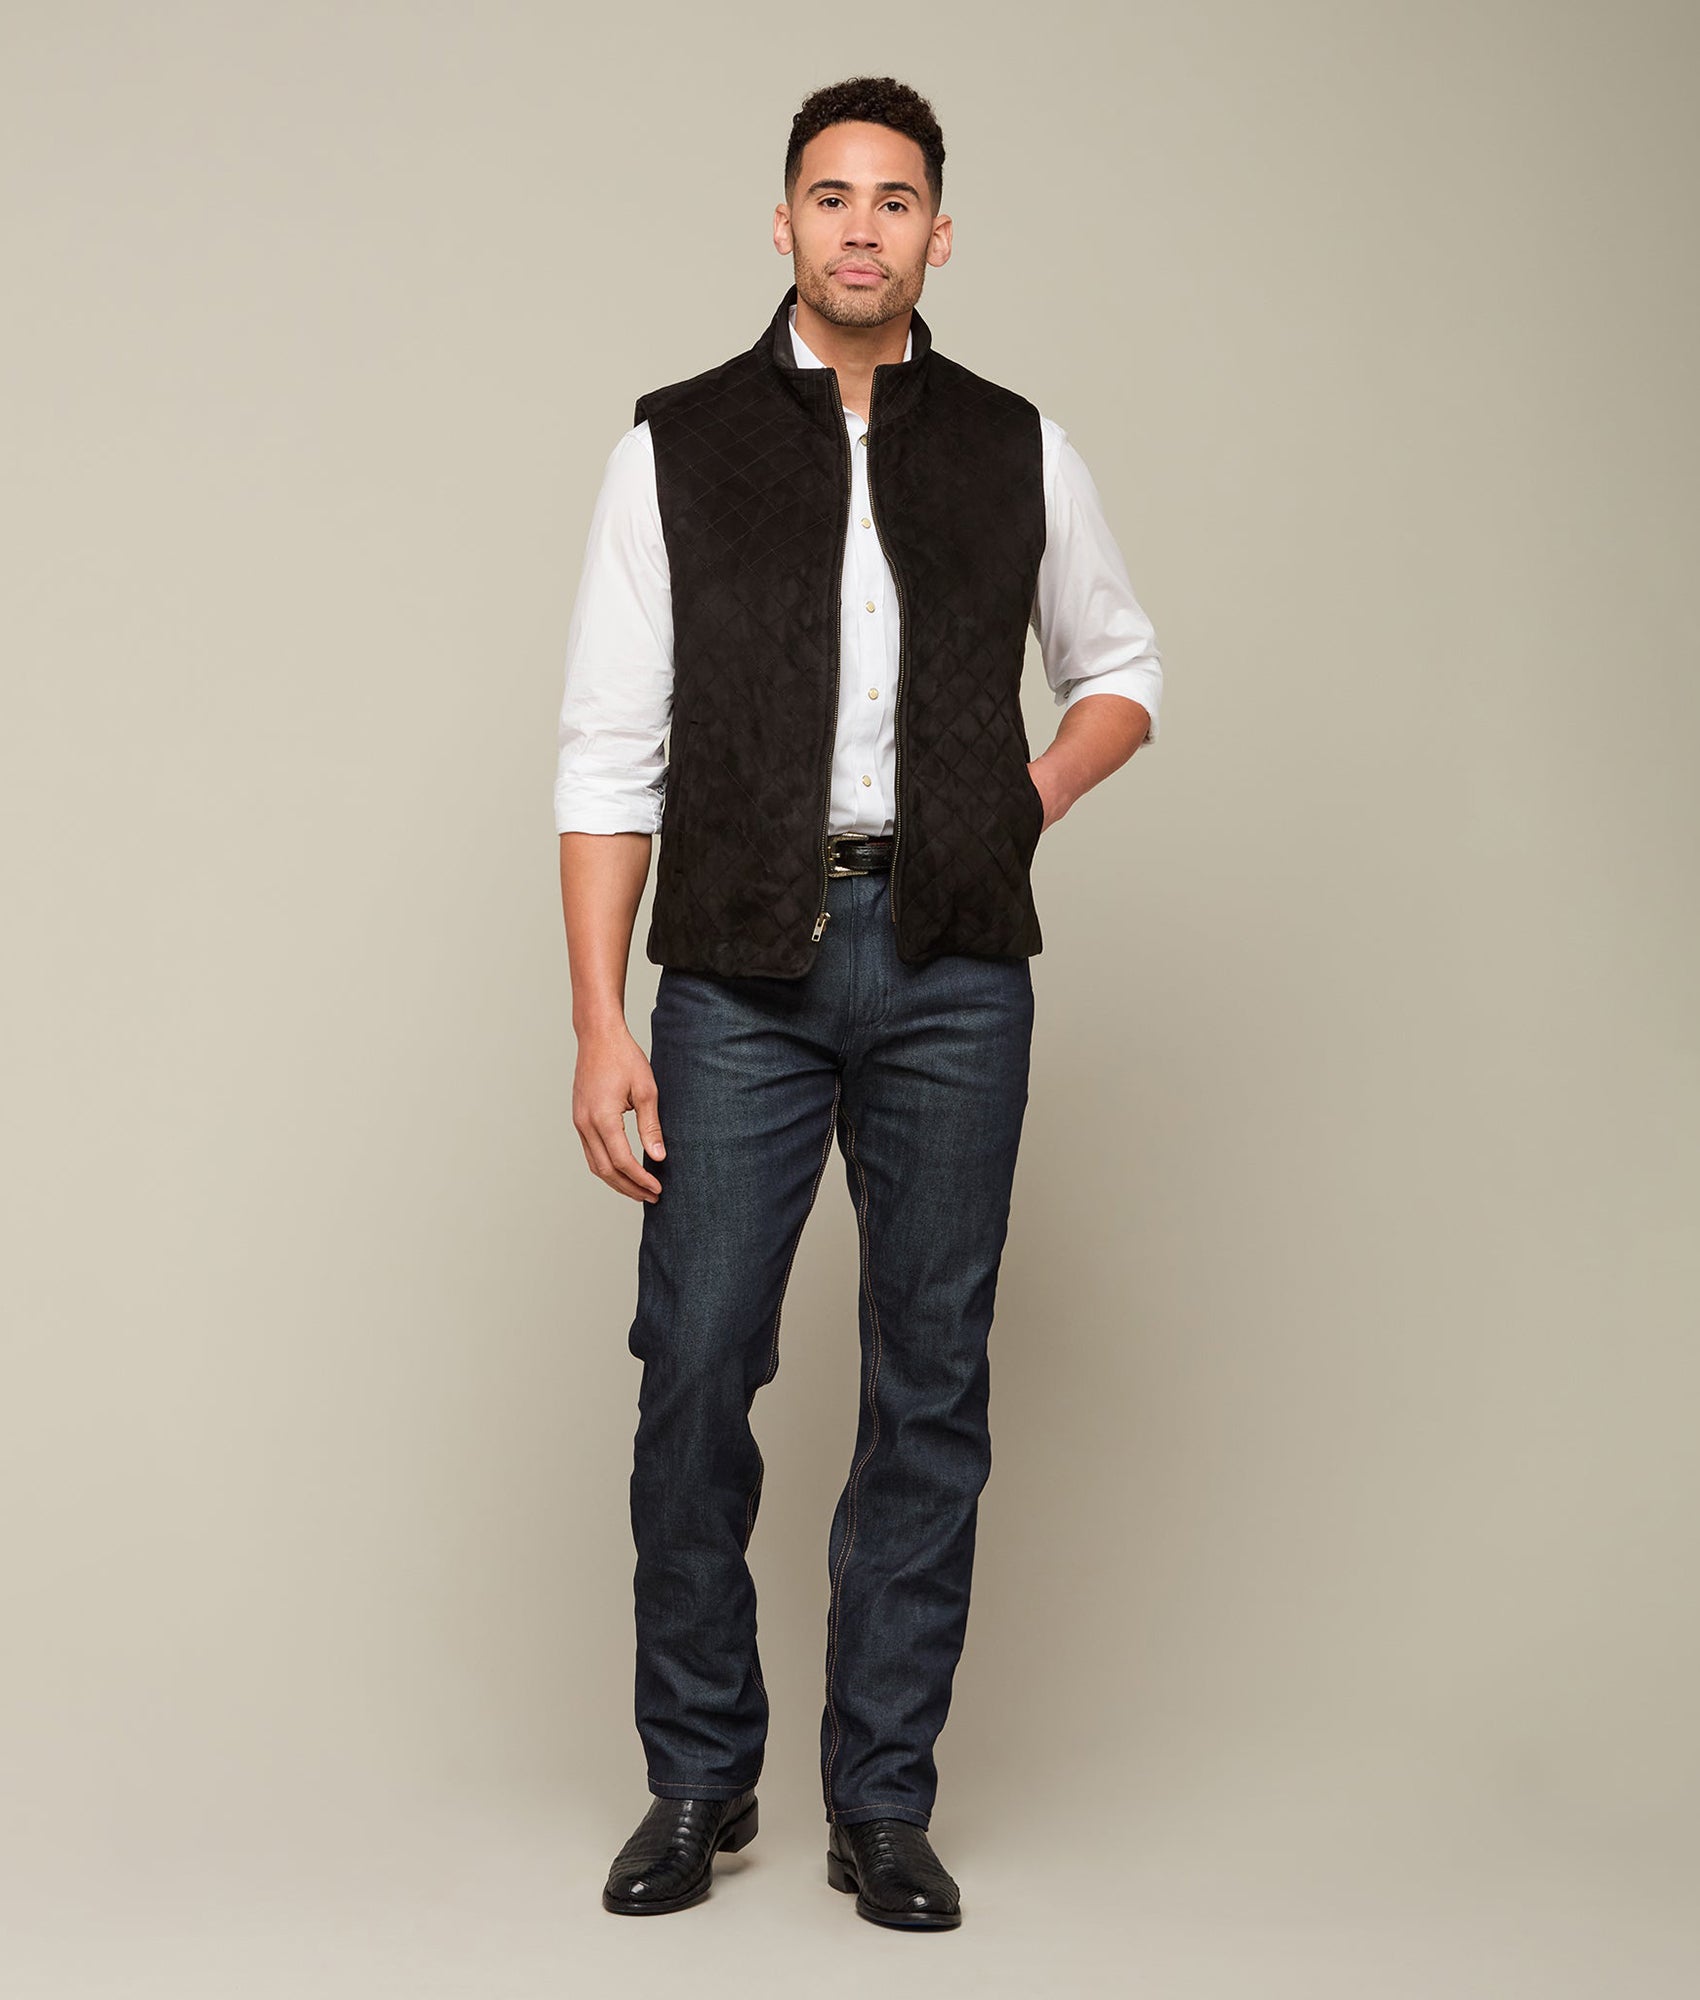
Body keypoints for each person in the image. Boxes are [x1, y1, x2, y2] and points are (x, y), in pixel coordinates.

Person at [554, 75, 1164, 1931]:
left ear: (938, 235)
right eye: (832, 196)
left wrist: (1021, 802)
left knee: (931, 1381)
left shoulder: (1017, 446)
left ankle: (883, 1801)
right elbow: (607, 754)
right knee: (695, 1363)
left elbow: (1123, 672)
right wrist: (599, 1024)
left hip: (955, 963)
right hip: (738, 968)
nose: (862, 227)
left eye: (896, 200)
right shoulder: (673, 447)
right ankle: (698, 1774)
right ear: (784, 224)